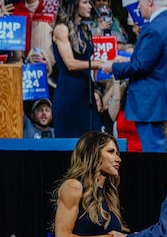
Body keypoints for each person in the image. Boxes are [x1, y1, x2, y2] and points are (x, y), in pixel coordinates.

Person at [100, 0, 167, 152]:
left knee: (154, 154)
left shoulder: (154, 28)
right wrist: (129, 60)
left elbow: (140, 66)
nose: (138, 6)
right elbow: (161, 61)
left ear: (150, 1)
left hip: (153, 105)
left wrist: (113, 67)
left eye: (139, 2)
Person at [52, 0, 103, 137]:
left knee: (93, 139)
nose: (90, 6)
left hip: (86, 92)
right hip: (69, 92)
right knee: (70, 141)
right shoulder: (61, 29)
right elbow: (70, 63)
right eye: (85, 2)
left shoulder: (83, 29)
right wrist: (102, 64)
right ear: (73, 4)